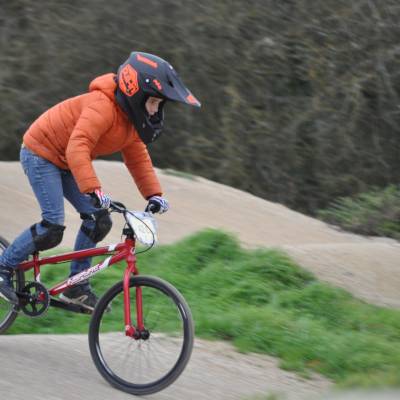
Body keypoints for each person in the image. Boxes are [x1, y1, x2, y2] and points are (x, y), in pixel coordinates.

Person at [0, 51, 201, 310]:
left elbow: (138, 158)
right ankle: (3, 267)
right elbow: (78, 146)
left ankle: (76, 286)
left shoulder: (130, 122)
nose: (155, 110)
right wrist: (93, 189)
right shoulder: (102, 106)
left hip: (67, 161)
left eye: (159, 104)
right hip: (41, 154)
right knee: (53, 226)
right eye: (153, 102)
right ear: (136, 93)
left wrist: (154, 195)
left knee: (99, 220)